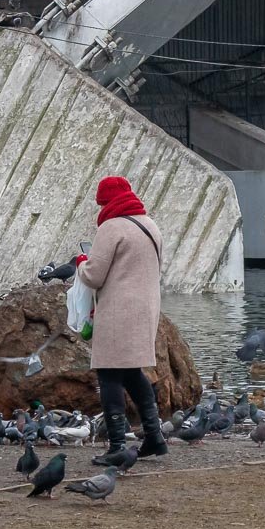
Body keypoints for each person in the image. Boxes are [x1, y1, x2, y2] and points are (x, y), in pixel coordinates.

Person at [76, 176, 168, 464]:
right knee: (130, 372)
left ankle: (117, 445)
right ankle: (154, 437)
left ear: (107, 201)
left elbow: (93, 275)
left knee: (108, 373)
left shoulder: (111, 228)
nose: (100, 208)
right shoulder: (150, 225)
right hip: (147, 308)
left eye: (101, 202)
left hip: (118, 311)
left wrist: (80, 262)